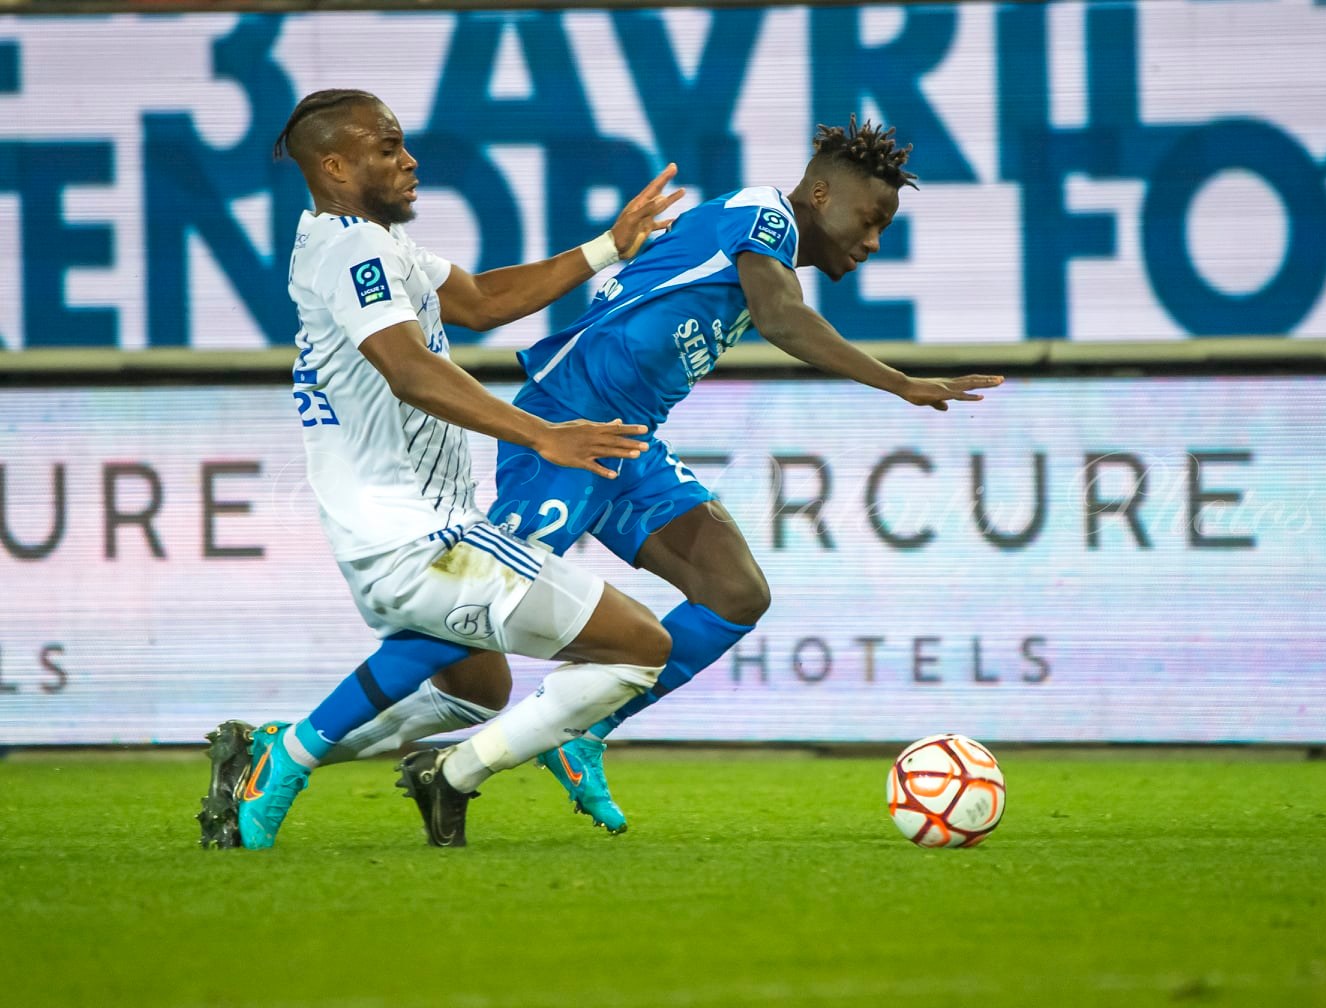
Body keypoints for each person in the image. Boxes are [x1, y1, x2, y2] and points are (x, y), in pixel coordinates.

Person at [380, 115, 1004, 844]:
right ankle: (304, 741)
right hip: (567, 424)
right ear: (822, 193)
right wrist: (900, 382)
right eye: (871, 219)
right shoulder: (761, 215)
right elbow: (783, 319)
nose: (872, 242)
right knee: (469, 604)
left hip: (629, 444)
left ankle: (581, 731)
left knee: (735, 592)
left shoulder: (759, 245)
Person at [196, 87, 685, 850]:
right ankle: (299, 758)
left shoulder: (366, 243)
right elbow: (409, 370)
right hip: (420, 535)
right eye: (388, 147)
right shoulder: (352, 250)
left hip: (397, 530)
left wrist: (607, 248)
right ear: (335, 166)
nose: (410, 160)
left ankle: (269, 751)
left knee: (477, 690)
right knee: (642, 646)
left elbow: (483, 299)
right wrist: (543, 435)